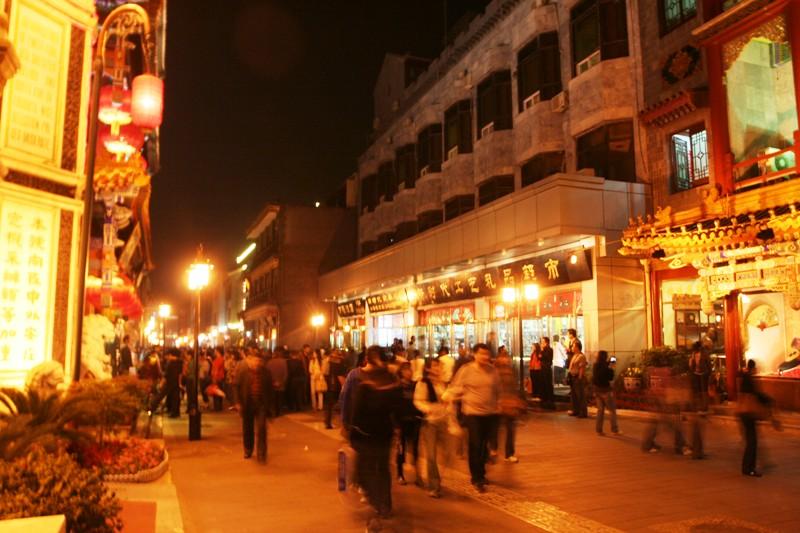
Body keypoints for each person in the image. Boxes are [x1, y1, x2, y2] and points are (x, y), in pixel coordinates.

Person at [350, 345, 402, 524]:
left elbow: (357, 411)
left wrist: (352, 432)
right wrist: (397, 427)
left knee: (368, 470)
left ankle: (377, 503)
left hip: (367, 433)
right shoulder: (391, 379)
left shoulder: (366, 382)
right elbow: (397, 407)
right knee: (382, 469)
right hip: (384, 432)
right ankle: (384, 505)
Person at [443, 343, 499, 493]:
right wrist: (448, 397)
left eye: (487, 354)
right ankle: (476, 477)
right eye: (481, 354)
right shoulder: (466, 370)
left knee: (484, 446)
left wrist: (499, 405)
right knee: (475, 444)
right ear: (475, 354)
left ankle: (481, 472)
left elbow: (497, 390)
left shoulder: (493, 371)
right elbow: (456, 387)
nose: (485, 357)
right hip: (472, 413)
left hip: (489, 413)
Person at [414, 358, 449, 498]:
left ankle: (434, 479)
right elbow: (418, 401)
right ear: (428, 368)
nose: (438, 368)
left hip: (443, 421)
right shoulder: (423, 383)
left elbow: (447, 401)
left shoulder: (442, 383)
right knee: (431, 455)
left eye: (439, 366)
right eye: (435, 366)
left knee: (445, 455)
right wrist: (428, 409)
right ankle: (434, 486)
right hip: (430, 423)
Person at [234, 349, 274, 463]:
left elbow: (270, 390)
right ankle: (248, 449)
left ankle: (261, 453)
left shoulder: (266, 373)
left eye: (258, 361)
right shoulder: (243, 372)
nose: (256, 363)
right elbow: (236, 386)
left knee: (261, 429)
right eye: (254, 360)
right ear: (250, 361)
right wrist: (238, 402)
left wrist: (271, 407)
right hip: (247, 403)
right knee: (248, 428)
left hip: (261, 404)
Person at [738, 359, 774, 477]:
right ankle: (749, 468)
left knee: (751, 441)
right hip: (748, 413)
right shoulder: (749, 379)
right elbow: (757, 394)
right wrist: (769, 400)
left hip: (743, 413)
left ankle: (746, 467)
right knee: (752, 442)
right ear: (753, 368)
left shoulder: (745, 378)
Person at [494, 349, 524, 463]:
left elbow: (514, 387)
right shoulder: (494, 371)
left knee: (510, 429)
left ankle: (509, 453)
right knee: (495, 429)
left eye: (506, 357)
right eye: (503, 357)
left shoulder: (512, 371)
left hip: (510, 404)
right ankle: (494, 449)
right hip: (498, 404)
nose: (505, 360)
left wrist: (517, 400)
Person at [395, 362, 422, 486]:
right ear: (401, 372)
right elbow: (394, 407)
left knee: (415, 449)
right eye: (405, 370)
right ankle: (400, 474)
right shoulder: (397, 387)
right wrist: (396, 425)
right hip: (402, 421)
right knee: (401, 449)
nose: (408, 372)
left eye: (410, 370)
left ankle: (417, 474)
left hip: (414, 421)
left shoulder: (415, 385)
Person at [593, 351, 619, 435]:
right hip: (606, 391)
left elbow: (599, 373)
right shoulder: (606, 368)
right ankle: (614, 429)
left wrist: (609, 363)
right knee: (612, 410)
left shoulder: (595, 365)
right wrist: (612, 367)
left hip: (597, 390)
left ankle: (599, 430)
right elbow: (610, 377)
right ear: (605, 357)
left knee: (600, 411)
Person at [324, 348, 347, 429]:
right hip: (335, 386)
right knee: (341, 404)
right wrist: (344, 386)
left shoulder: (327, 362)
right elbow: (340, 377)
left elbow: (325, 373)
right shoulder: (339, 364)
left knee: (329, 405)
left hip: (328, 385)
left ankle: (327, 422)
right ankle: (343, 423)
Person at [688, 342, 711, 412]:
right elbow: (691, 365)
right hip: (696, 374)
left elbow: (708, 363)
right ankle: (700, 406)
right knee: (698, 391)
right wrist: (692, 360)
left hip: (704, 373)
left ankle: (705, 407)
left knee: (704, 390)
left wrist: (709, 372)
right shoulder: (693, 354)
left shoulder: (704, 353)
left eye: (695, 348)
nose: (694, 350)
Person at [568, 340, 587, 418]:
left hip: (578, 377)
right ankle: (575, 410)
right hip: (572, 377)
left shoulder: (581, 356)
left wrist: (580, 377)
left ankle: (583, 412)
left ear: (577, 347)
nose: (572, 348)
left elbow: (582, 368)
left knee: (580, 395)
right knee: (574, 395)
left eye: (573, 346)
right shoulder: (574, 355)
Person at [266, 348, 288, 416]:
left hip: (272, 384)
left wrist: (272, 382)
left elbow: (267, 374)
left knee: (273, 399)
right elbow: (286, 373)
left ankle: (273, 411)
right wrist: (282, 382)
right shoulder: (284, 362)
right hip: (281, 384)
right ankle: (279, 411)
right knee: (280, 399)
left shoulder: (269, 362)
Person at [539, 337, 555, 409]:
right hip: (543, 368)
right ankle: (544, 399)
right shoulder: (543, 350)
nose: (541, 343)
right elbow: (539, 357)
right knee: (543, 384)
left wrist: (542, 352)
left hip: (546, 368)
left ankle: (549, 399)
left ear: (546, 342)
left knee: (547, 384)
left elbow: (546, 357)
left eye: (542, 341)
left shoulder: (549, 349)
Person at [210, 347, 226, 412]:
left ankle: (217, 407)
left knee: (216, 393)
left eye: (215, 351)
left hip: (217, 378)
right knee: (219, 393)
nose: (214, 352)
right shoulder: (222, 359)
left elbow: (216, 370)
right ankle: (219, 407)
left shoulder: (218, 360)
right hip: (220, 378)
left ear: (218, 351)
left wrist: (214, 378)